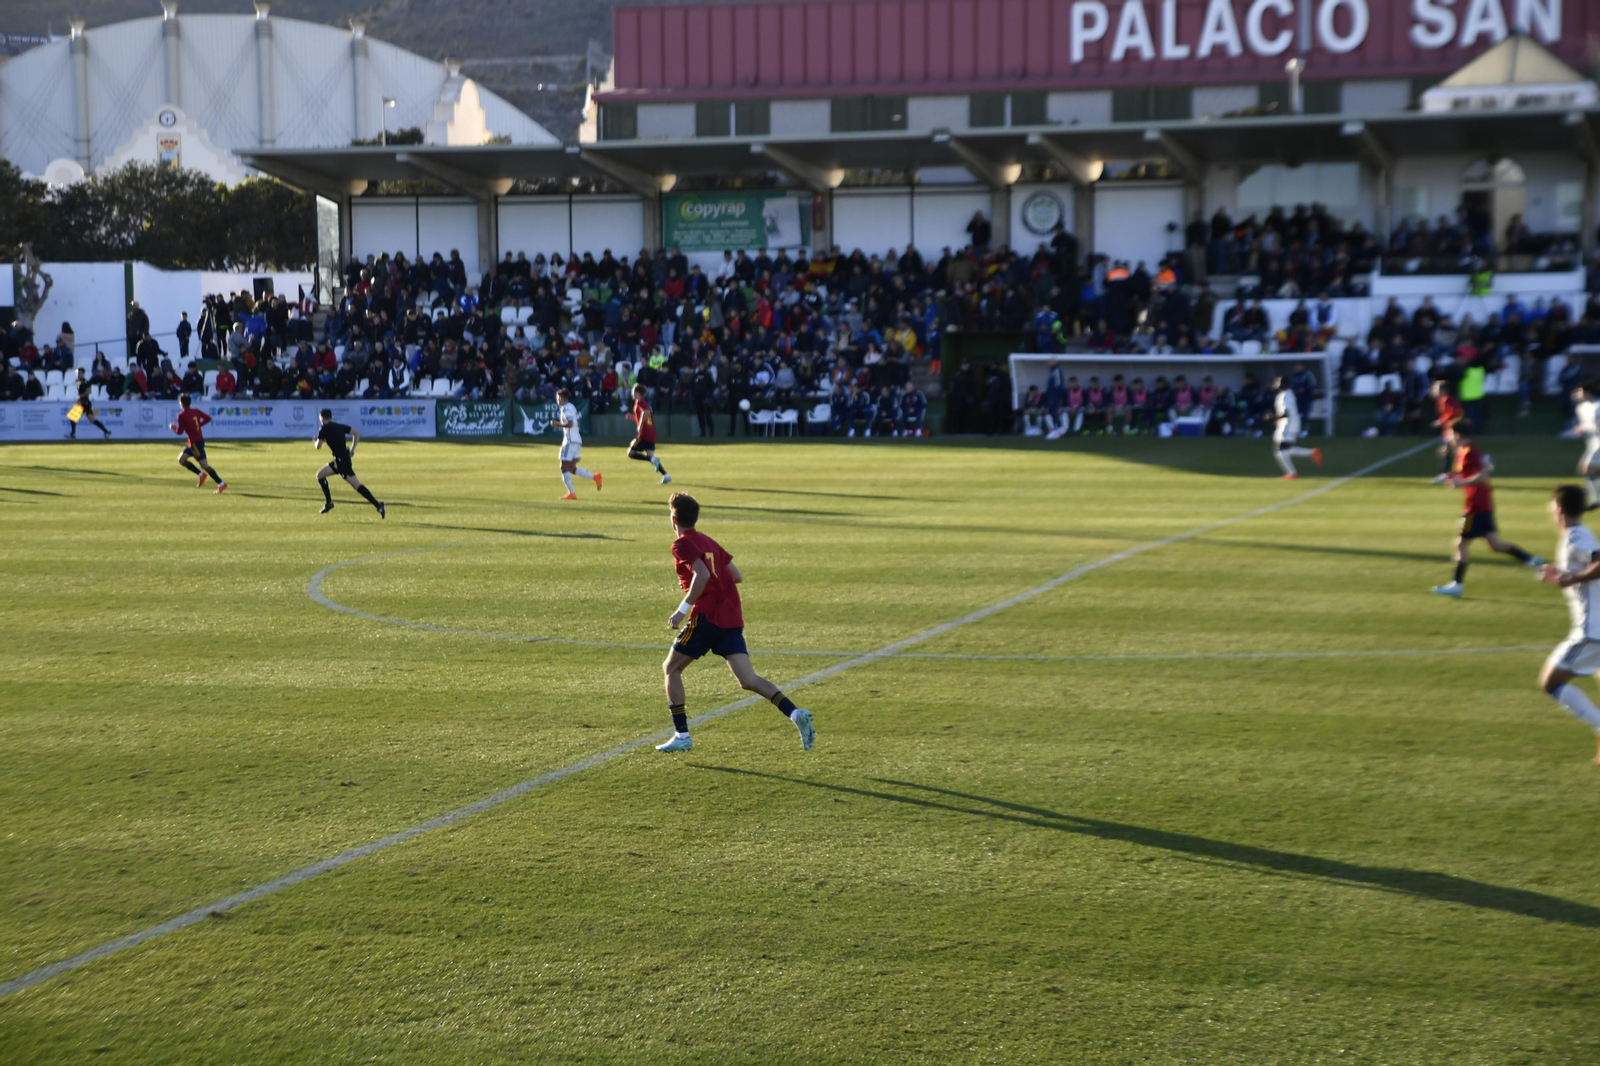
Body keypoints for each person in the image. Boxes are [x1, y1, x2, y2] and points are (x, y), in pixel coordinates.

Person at [655, 492, 815, 753]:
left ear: (674, 519)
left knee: (671, 669)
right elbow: (736, 576)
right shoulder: (708, 541)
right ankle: (796, 713)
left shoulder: (682, 543)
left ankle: (682, 735)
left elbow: (703, 574)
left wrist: (683, 609)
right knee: (748, 678)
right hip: (730, 617)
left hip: (707, 617)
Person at [1431, 419, 1540, 598]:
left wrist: (1461, 483)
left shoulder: (1469, 452)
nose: (1448, 437)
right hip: (1482, 504)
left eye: (1450, 434)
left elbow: (1483, 475)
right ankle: (1531, 560)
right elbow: (1465, 474)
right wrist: (1449, 477)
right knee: (1496, 545)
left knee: (1460, 543)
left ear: (1457, 435)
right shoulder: (1464, 451)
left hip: (1475, 506)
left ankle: (1456, 585)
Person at [1537, 485, 1600, 765]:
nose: (1550, 510)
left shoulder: (1575, 536)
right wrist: (1560, 574)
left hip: (1591, 631)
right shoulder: (1577, 535)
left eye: (1552, 505)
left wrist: (1571, 578)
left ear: (1559, 509)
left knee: (1550, 681)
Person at [314, 409, 385, 517]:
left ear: (322, 418)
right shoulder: (339, 426)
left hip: (341, 462)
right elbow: (357, 434)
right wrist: (352, 449)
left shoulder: (323, 430)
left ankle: (378, 505)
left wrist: (315, 441)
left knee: (357, 486)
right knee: (320, 475)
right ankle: (329, 503)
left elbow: (318, 446)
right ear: (331, 417)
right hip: (342, 459)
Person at [170, 393, 227, 493]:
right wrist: (198, 425)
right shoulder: (195, 411)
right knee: (181, 459)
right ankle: (201, 475)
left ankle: (221, 483)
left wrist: (173, 428)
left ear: (182, 404)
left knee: (205, 465)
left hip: (195, 444)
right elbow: (208, 418)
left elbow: (179, 432)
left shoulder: (181, 416)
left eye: (179, 402)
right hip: (195, 442)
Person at [554, 387, 601, 500]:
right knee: (571, 467)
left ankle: (572, 493)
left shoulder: (566, 409)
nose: (557, 400)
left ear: (560, 398)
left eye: (557, 398)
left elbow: (570, 424)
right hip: (577, 440)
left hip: (570, 440)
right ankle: (595, 477)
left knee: (563, 466)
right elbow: (578, 423)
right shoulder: (572, 407)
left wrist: (557, 424)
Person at [1270, 376, 1320, 479]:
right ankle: (1311, 453)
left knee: (1281, 449)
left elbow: (1286, 413)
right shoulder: (1283, 394)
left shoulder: (1286, 395)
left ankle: (1292, 473)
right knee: (1286, 449)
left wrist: (1272, 417)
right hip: (1285, 423)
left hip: (1289, 424)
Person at [625, 382, 671, 484]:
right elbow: (645, 416)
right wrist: (633, 418)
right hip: (651, 433)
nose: (632, 394)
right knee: (651, 458)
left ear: (637, 393)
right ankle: (666, 475)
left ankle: (653, 460)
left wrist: (640, 425)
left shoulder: (641, 402)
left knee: (630, 453)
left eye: (633, 392)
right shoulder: (643, 402)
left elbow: (645, 412)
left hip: (644, 434)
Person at [1429, 380, 1466, 485]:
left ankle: (1449, 475)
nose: (1433, 391)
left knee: (1450, 451)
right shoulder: (1441, 401)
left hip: (1452, 430)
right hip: (1448, 430)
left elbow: (1457, 412)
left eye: (1436, 389)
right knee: (1446, 452)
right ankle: (1449, 475)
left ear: (1443, 390)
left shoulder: (1447, 400)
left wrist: (1442, 421)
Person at [1572, 382, 1600, 508]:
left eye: (1580, 391)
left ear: (1587, 392)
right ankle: (1594, 498)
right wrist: (1581, 428)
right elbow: (1587, 425)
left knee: (1586, 469)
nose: (1577, 394)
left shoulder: (1598, 405)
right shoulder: (1580, 408)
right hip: (1592, 442)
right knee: (1585, 470)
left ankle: (1595, 500)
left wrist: (1588, 427)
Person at [65, 368, 111, 440]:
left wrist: (80, 397)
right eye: (77, 373)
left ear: (83, 373)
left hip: (85, 402)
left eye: (79, 373)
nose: (78, 374)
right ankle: (106, 432)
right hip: (83, 402)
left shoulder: (86, 382)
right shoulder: (77, 381)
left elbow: (89, 391)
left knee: (73, 417)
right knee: (92, 419)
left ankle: (73, 434)